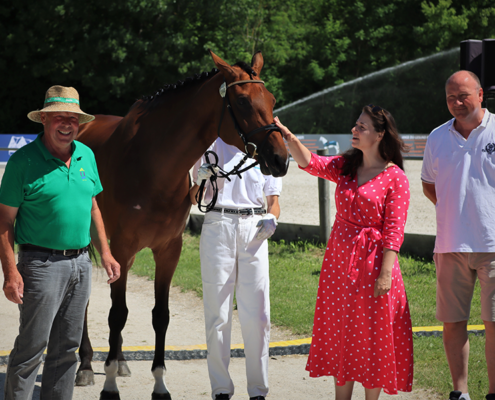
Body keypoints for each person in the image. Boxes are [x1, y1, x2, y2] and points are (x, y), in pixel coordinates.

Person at [274, 106, 413, 400]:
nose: (354, 129)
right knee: (342, 332)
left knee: (371, 335)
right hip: (339, 264)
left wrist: (385, 274)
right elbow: (312, 163)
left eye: (361, 127)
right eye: (355, 125)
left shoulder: (395, 178)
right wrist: (288, 137)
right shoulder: (346, 165)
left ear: (379, 134)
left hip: (375, 266)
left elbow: (394, 231)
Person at [0, 85, 120, 400]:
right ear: (43, 119)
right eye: (59, 118)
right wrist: (11, 272)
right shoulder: (23, 162)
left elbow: (92, 207)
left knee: (68, 348)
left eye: (73, 118)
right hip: (40, 264)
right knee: (31, 348)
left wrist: (105, 252)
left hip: (81, 263)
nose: (67, 124)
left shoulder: (86, 155)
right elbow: (4, 221)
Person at [189, 137, 282, 400]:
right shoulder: (208, 145)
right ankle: (220, 388)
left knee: (259, 314)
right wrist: (200, 180)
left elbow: (273, 200)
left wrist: (272, 216)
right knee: (217, 312)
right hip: (218, 224)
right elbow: (194, 198)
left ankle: (258, 390)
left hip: (254, 226)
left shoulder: (264, 148)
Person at [421, 70, 495, 400]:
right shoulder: (437, 137)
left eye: (463, 95)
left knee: (494, 324)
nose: (457, 102)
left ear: (481, 94)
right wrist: (458, 211)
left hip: (493, 244)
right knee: (453, 323)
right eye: (451, 97)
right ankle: (459, 393)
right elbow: (429, 185)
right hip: (450, 244)